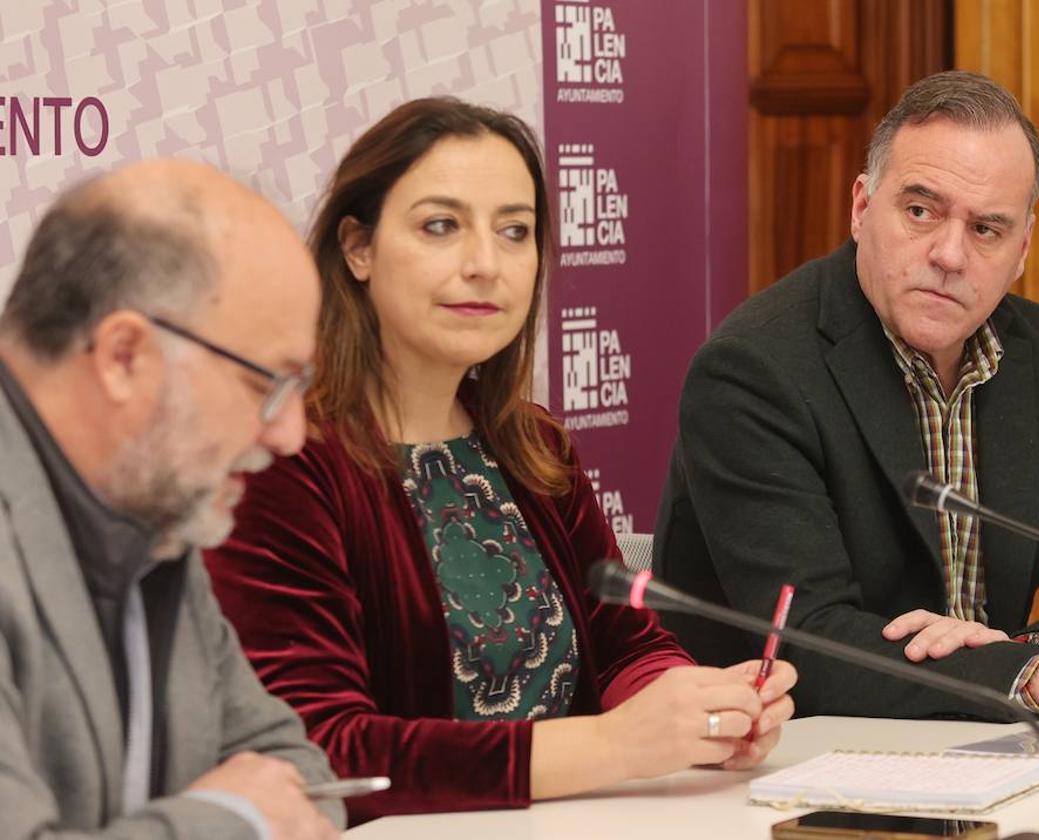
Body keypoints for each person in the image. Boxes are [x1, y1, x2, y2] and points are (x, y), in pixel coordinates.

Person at [202, 97, 796, 823]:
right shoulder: (285, 460)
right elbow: (322, 750)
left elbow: (622, 646)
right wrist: (614, 747)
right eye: (441, 226)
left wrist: (701, 713)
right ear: (357, 248)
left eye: (515, 231)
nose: (485, 265)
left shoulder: (532, 446)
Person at [655, 70, 1039, 723]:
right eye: (920, 210)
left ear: (1021, 250)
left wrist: (1034, 655)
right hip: (781, 758)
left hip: (991, 753)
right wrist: (1038, 678)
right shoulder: (754, 371)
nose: (949, 254)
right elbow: (807, 648)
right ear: (860, 207)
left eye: (987, 229)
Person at [0, 160, 343, 838]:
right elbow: (262, 805)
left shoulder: (153, 518)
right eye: (267, 386)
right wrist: (235, 820)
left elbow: (298, 775)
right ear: (125, 355)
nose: (292, 435)